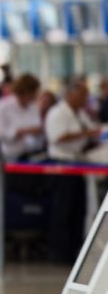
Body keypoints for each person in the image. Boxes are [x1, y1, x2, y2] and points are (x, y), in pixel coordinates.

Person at [45, 81, 99, 262]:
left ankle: (76, 250)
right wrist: (86, 135)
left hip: (78, 163)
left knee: (78, 209)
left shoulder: (80, 114)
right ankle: (59, 251)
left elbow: (90, 131)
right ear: (70, 94)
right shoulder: (57, 113)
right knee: (62, 210)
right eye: (82, 96)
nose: (85, 100)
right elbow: (58, 138)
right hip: (61, 164)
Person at [0, 74, 44, 161]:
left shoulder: (33, 106)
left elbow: (38, 126)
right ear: (26, 92)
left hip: (34, 153)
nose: (36, 95)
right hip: (13, 156)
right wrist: (20, 132)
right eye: (34, 92)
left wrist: (38, 131)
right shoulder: (3, 106)